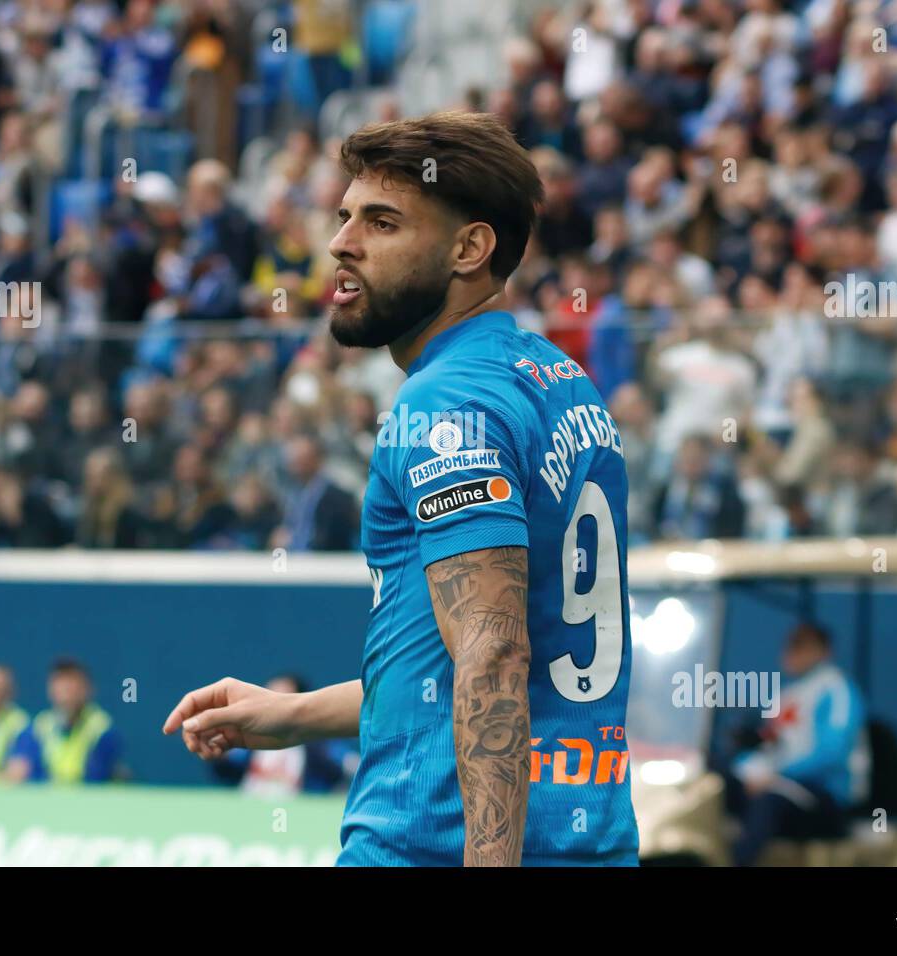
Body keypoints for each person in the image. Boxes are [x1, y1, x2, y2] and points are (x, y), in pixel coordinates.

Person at [166, 111, 639, 867]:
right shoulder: (562, 383)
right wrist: (293, 714)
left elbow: (493, 659)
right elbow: (463, 673)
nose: (341, 243)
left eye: (382, 223)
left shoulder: (444, 406)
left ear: (469, 249)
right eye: (345, 216)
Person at [724, 623, 870, 866]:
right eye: (792, 646)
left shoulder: (838, 690)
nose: (793, 653)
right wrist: (746, 771)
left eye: (803, 647)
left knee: (767, 803)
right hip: (780, 785)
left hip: (824, 795)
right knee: (718, 782)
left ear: (824, 651)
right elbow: (768, 746)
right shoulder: (787, 695)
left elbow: (832, 753)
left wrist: (775, 775)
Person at [209, 675, 351, 796]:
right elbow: (226, 764)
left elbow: (349, 766)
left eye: (277, 697)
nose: (268, 705)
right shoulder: (251, 739)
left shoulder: (318, 748)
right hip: (250, 812)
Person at [7, 659, 123, 784]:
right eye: (61, 685)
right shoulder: (38, 728)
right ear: (51, 690)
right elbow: (18, 769)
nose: (66, 693)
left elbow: (101, 776)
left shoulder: (102, 729)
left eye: (72, 686)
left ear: (87, 689)